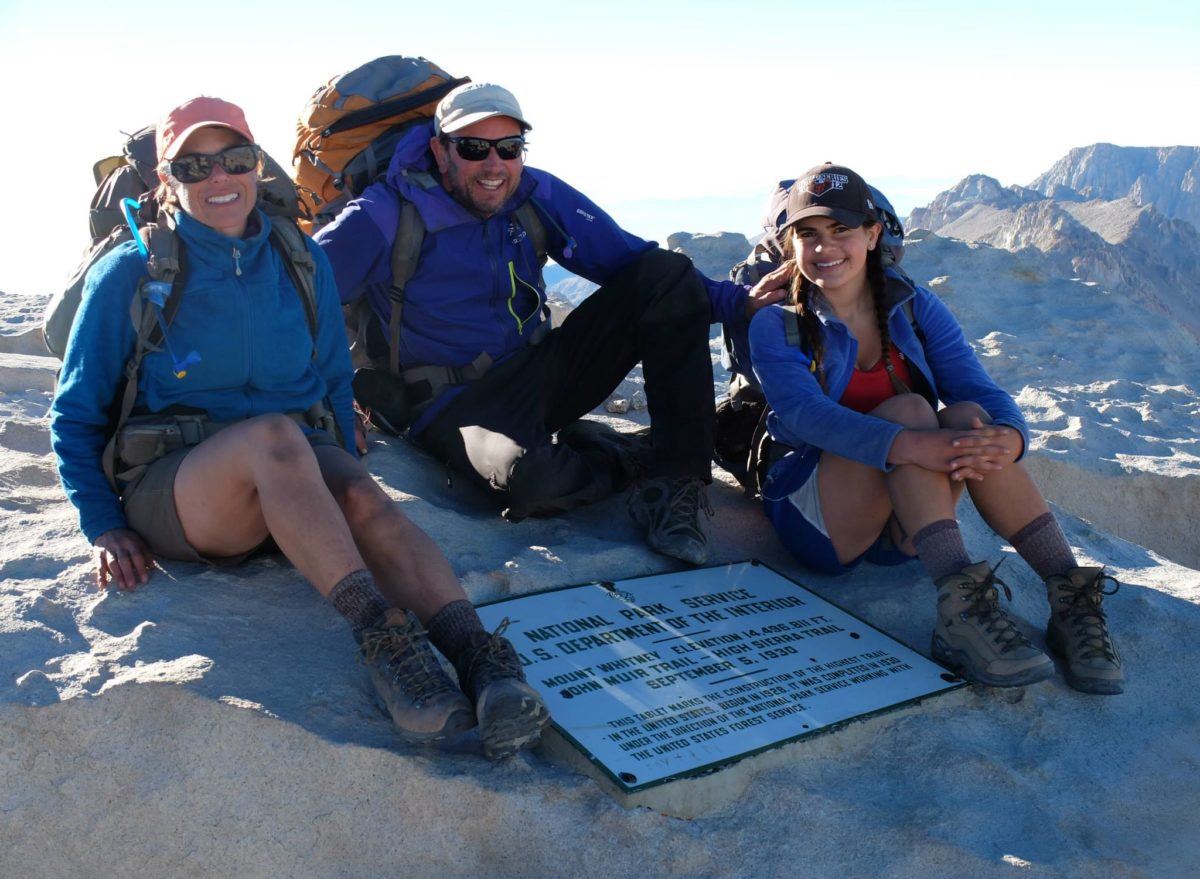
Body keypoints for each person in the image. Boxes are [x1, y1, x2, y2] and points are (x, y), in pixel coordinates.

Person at [49, 96, 548, 759]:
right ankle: (388, 648)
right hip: (180, 491)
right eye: (195, 166)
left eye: (234, 159)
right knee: (276, 438)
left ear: (258, 166)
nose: (219, 178)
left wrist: (338, 485)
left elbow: (334, 379)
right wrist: (101, 524)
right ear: (167, 180)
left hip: (286, 474)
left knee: (363, 495)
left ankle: (479, 658)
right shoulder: (131, 274)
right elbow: (74, 411)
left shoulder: (296, 258)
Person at [316, 83, 749, 566]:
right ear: (440, 150)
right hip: (454, 404)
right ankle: (621, 454)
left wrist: (745, 306)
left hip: (538, 369)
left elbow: (630, 261)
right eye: (473, 148)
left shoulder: (534, 194)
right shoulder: (382, 214)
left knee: (667, 275)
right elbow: (298, 303)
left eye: (510, 147)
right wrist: (328, 401)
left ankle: (674, 484)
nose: (494, 164)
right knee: (534, 482)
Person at [746, 162, 1124, 694]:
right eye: (808, 234)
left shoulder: (915, 308)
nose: (824, 248)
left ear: (873, 234)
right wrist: (912, 441)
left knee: (971, 417)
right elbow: (805, 414)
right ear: (790, 243)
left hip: (905, 525)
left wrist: (1013, 436)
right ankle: (960, 613)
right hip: (822, 521)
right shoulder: (779, 322)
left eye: (841, 231)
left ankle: (1069, 595)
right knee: (912, 413)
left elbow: (980, 388)